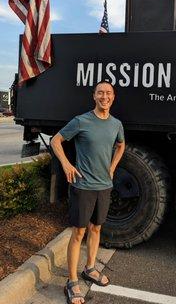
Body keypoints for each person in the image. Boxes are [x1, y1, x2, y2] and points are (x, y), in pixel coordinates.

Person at [51, 81, 125, 304]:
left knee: (96, 228)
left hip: (104, 186)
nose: (105, 96)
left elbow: (121, 145)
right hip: (83, 187)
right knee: (78, 233)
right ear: (94, 96)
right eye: (100, 93)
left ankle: (90, 269)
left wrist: (112, 168)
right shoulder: (82, 121)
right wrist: (66, 164)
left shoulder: (116, 124)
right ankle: (72, 281)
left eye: (108, 93)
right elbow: (56, 140)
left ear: (113, 97)